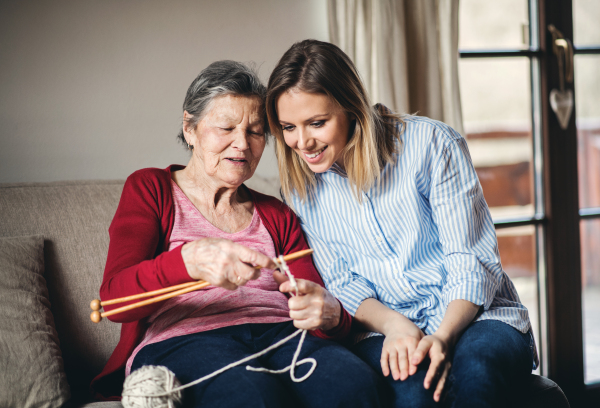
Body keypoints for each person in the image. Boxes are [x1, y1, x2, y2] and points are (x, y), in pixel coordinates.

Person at [90, 60, 384, 408]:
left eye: (256, 131)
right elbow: (114, 302)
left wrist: (332, 316)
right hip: (185, 339)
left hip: (283, 335)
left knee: (356, 387)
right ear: (190, 127)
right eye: (226, 127)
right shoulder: (151, 188)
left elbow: (318, 314)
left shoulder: (277, 213)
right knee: (252, 398)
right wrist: (189, 261)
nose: (242, 144)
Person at [266, 39, 537, 408]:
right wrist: (395, 326)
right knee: (413, 390)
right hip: (386, 326)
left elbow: (470, 259)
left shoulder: (431, 144)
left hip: (476, 316)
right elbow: (343, 282)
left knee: (476, 371)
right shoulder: (299, 188)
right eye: (288, 127)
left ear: (350, 107)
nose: (302, 143)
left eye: (317, 123)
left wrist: (442, 336)